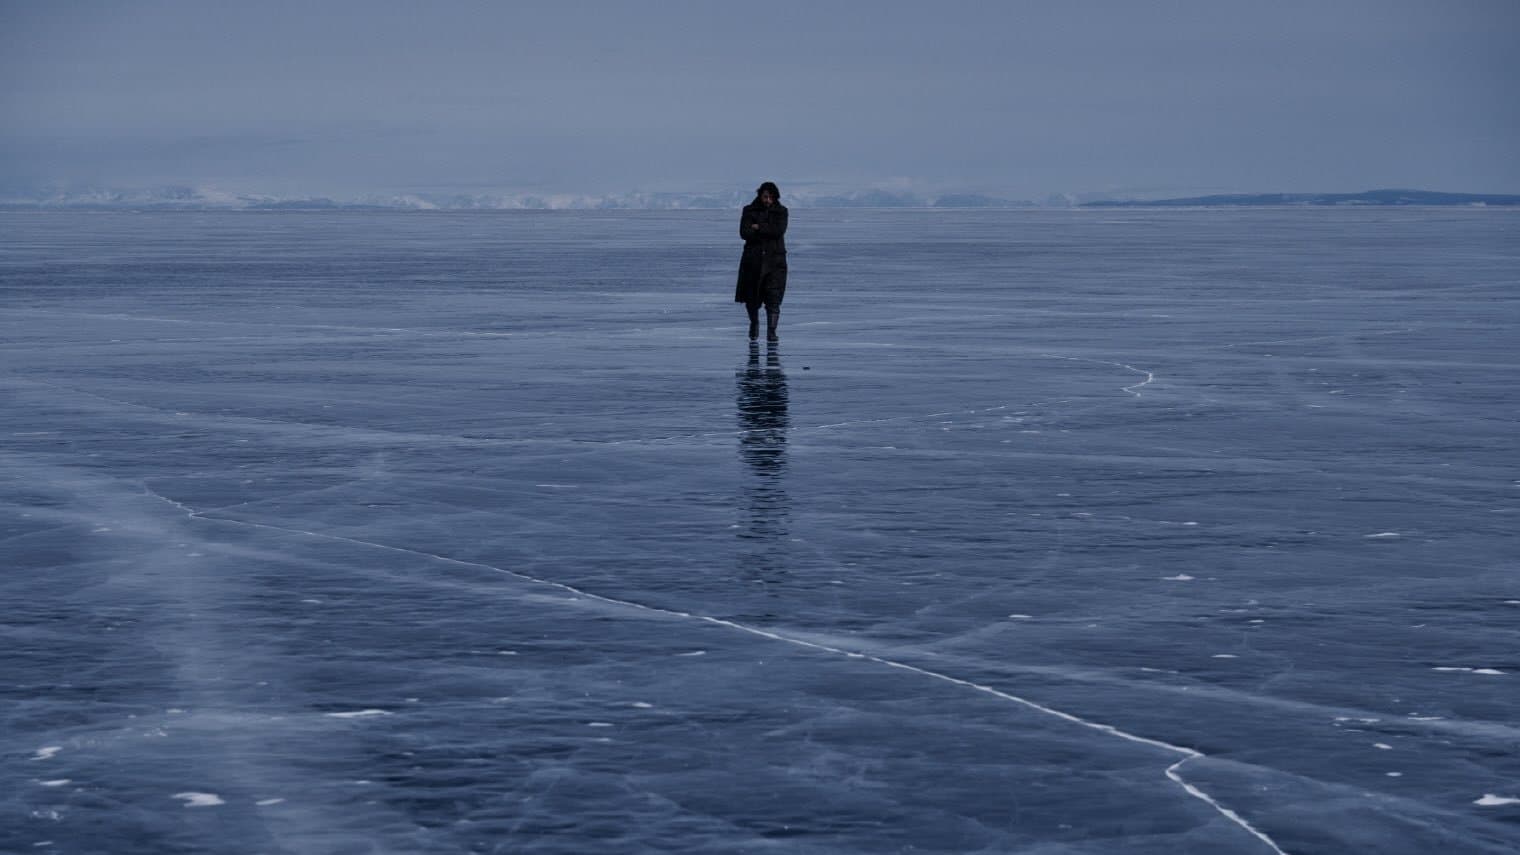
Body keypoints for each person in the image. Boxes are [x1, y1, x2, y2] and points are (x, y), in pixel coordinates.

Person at [735, 181, 788, 342]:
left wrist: (759, 227)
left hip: (775, 262)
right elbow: (744, 232)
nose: (768, 200)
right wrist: (763, 229)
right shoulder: (749, 210)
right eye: (765, 196)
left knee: (774, 297)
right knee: (752, 298)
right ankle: (754, 324)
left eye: (771, 197)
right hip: (753, 261)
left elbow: (778, 231)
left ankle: (772, 332)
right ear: (760, 195)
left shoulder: (781, 211)